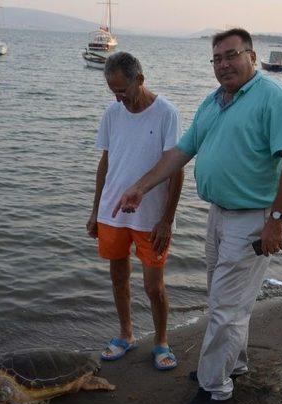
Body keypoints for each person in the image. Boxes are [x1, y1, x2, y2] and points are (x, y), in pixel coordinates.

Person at [112, 29, 282, 404]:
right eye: (216, 59)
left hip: (253, 219)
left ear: (252, 56)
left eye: (231, 55)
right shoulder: (215, 101)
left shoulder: (274, 98)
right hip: (218, 215)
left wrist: (277, 220)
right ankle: (232, 364)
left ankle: (214, 386)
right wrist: (141, 186)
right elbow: (182, 152)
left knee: (225, 308)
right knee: (227, 301)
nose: (223, 65)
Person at [87, 51, 184, 371]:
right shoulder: (112, 113)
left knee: (153, 287)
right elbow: (105, 163)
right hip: (112, 213)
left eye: (123, 91)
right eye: (112, 92)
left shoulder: (167, 113)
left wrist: (167, 220)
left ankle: (161, 341)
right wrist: (95, 210)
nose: (119, 98)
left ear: (139, 79)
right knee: (118, 278)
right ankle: (125, 334)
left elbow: (176, 169)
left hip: (151, 217)